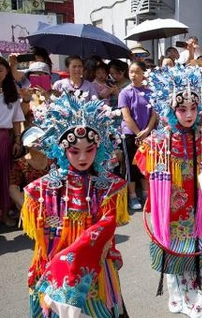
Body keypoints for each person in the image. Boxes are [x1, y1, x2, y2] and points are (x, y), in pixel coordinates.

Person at [134, 65, 202, 317]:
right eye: (182, 109)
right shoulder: (159, 140)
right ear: (170, 109)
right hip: (173, 210)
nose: (189, 114)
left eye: (193, 107)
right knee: (177, 253)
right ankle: (181, 298)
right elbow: (143, 164)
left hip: (200, 207)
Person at [21, 91, 129, 317]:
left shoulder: (107, 186)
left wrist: (70, 256)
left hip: (94, 267)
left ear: (98, 148)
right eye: (74, 151)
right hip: (55, 265)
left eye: (89, 150)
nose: (82, 157)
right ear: (62, 149)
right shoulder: (44, 189)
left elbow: (106, 227)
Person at [118, 61, 158, 210]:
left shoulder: (150, 92)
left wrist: (147, 130)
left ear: (143, 74)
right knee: (131, 166)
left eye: (137, 72)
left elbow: (154, 114)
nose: (133, 75)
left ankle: (146, 193)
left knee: (146, 165)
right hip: (130, 135)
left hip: (147, 134)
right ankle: (133, 196)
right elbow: (126, 116)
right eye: (131, 72)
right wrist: (138, 133)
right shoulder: (125, 92)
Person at [0, 56, 25, 227]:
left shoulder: (12, 94)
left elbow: (17, 120)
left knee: (5, 177)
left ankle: (4, 214)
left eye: (0, 70)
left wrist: (17, 140)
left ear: (7, 71)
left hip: (4, 138)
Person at [9, 127, 51, 218]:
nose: (40, 144)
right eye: (36, 141)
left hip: (53, 200)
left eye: (42, 140)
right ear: (27, 145)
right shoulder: (20, 163)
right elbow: (13, 190)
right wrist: (30, 208)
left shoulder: (54, 159)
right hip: (32, 201)